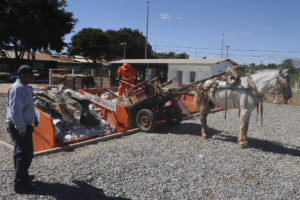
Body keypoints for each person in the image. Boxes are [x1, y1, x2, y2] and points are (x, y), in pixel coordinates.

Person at [6, 65, 38, 193]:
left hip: (25, 124)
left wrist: (34, 118)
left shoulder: (25, 87)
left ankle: (23, 175)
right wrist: (21, 128)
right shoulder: (17, 89)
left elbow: (28, 107)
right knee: (25, 155)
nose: (33, 77)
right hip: (20, 127)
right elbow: (15, 112)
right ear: (23, 76)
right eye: (31, 75)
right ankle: (20, 184)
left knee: (20, 153)